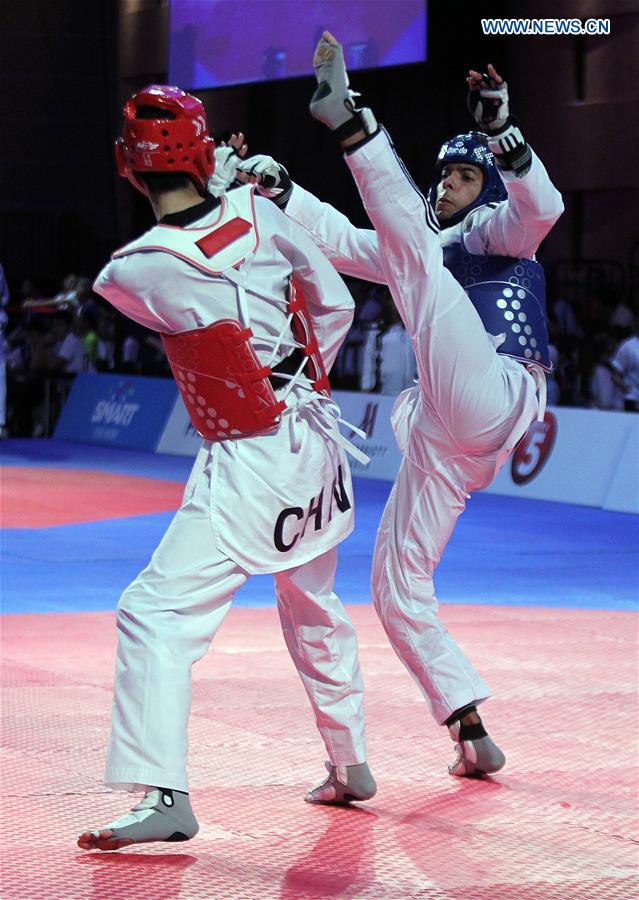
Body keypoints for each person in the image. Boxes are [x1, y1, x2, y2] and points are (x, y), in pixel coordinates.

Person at [236, 35, 563, 778]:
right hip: (449, 443)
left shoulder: (499, 231)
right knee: (394, 585)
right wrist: (282, 191)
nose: (447, 184)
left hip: (497, 392)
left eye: (461, 175)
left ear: (484, 188)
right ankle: (469, 728)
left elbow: (541, 204)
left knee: (409, 258)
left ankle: (351, 121)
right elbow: (352, 242)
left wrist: (501, 136)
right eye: (443, 173)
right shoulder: (423, 249)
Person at [77, 85, 376, 853]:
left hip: (247, 457)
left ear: (128, 168)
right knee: (312, 603)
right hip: (315, 440)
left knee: (155, 612)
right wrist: (298, 383)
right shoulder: (263, 213)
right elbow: (335, 306)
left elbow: (170, 300)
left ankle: (164, 794)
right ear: (205, 149)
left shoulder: (132, 270)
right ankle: (349, 761)